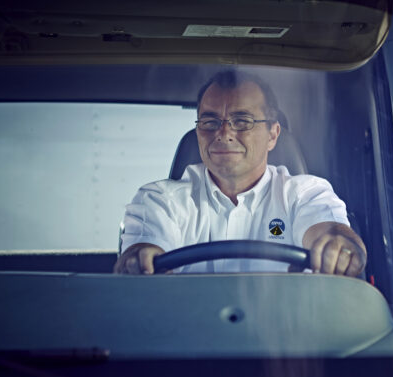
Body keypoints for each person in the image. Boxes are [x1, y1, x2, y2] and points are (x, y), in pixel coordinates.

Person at [114, 70, 366, 277]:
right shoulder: (159, 199)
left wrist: (339, 247)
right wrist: (141, 259)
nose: (223, 133)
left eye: (242, 121)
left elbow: (330, 233)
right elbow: (143, 253)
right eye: (210, 122)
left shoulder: (306, 192)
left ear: (272, 135)